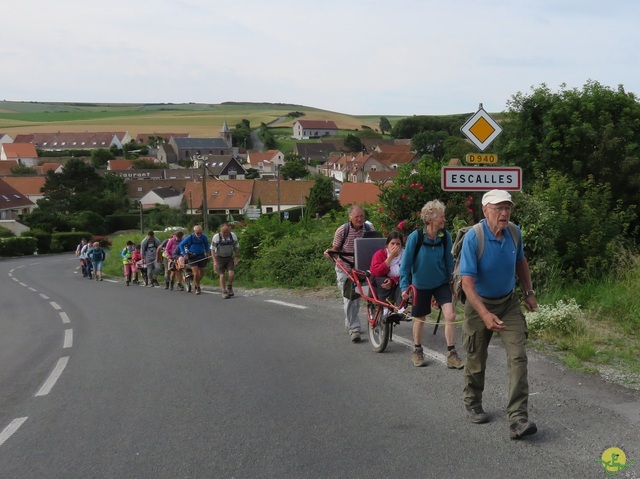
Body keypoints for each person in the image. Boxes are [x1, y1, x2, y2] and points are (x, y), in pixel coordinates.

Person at [459, 189, 538, 440]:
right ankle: (473, 402)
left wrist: (528, 291)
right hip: (478, 305)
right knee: (476, 357)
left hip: (508, 303)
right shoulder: (474, 238)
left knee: (518, 357)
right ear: (485, 211)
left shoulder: (514, 232)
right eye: (498, 208)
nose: (504, 213)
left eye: (507, 208)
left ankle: (518, 418)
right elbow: (467, 284)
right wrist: (483, 314)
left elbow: (521, 262)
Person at [400, 200, 464, 370]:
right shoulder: (416, 237)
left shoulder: (445, 237)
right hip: (420, 285)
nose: (444, 219)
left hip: (441, 283)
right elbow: (405, 265)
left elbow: (449, 262)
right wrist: (404, 288)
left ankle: (451, 354)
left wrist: (454, 281)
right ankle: (417, 350)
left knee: (450, 316)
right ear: (430, 219)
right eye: (441, 217)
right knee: (420, 318)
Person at [323, 205, 373, 343]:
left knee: (357, 299)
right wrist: (330, 252)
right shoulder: (342, 230)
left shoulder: (369, 229)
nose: (359, 219)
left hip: (360, 269)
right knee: (350, 298)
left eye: (362, 216)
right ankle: (355, 329)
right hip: (344, 269)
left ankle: (350, 321)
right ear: (350, 217)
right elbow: (335, 248)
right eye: (357, 216)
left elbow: (374, 247)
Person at [369, 230, 404, 307]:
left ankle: (400, 309)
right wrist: (391, 257)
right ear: (387, 245)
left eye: (398, 244)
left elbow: (407, 272)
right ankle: (385, 308)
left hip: (396, 281)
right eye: (392, 243)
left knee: (404, 282)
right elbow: (376, 272)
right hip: (378, 280)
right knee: (383, 280)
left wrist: (393, 280)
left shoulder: (404, 256)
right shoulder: (379, 254)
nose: (395, 246)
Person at [211, 223, 240, 299]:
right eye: (224, 232)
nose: (226, 233)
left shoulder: (233, 236)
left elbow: (236, 247)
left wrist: (236, 257)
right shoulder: (216, 237)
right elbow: (212, 250)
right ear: (221, 231)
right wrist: (215, 261)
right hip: (219, 258)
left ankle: (229, 287)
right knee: (222, 275)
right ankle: (224, 291)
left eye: (227, 232)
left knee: (231, 274)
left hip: (229, 257)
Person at [179, 225, 210, 295]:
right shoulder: (190, 237)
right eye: (198, 233)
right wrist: (184, 254)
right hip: (192, 257)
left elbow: (207, 244)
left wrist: (207, 251)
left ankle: (195, 283)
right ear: (194, 231)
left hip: (201, 256)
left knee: (201, 274)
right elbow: (181, 245)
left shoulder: (203, 237)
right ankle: (197, 287)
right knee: (196, 273)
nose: (199, 234)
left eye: (200, 232)